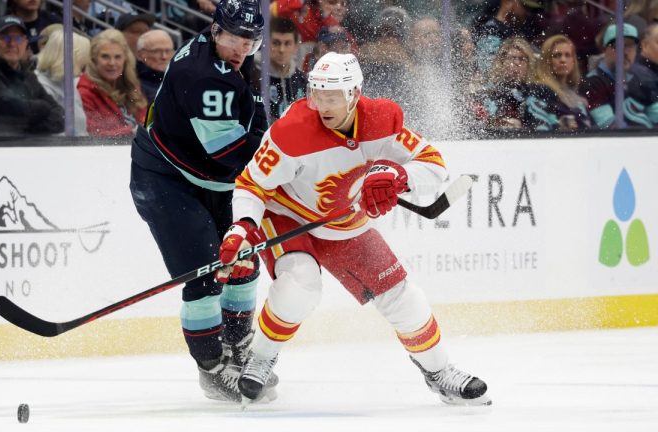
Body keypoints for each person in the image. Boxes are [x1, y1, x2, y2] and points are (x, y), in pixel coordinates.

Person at [216, 51, 490, 406]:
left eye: (333, 97)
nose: (323, 105)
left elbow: (434, 165)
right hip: (287, 215)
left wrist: (398, 175)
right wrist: (242, 227)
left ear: (355, 94)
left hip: (343, 224)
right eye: (317, 95)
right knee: (300, 285)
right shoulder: (291, 132)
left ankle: (439, 372)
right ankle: (261, 357)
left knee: (403, 298)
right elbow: (252, 185)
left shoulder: (381, 120)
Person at [128, 0, 271, 403]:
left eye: (250, 41)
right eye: (235, 38)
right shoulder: (205, 75)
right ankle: (211, 365)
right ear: (215, 30)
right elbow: (230, 153)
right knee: (206, 272)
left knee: (244, 259)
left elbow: (249, 123)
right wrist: (288, 162)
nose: (242, 48)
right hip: (166, 180)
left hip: (212, 180)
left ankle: (239, 345)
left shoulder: (224, 56)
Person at [0, 15, 64, 135]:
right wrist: (43, 107)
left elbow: (59, 116)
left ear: (25, 43)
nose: (12, 43)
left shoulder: (28, 76)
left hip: (25, 144)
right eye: (5, 38)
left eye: (18, 39)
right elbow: (13, 112)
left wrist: (32, 127)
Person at [579, 23, 653, 128]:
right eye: (617, 46)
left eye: (630, 46)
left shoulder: (640, 80)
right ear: (604, 49)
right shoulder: (592, 83)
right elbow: (611, 128)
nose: (625, 52)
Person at [77, 29, 147, 137]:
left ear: (125, 59)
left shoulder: (131, 85)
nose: (112, 63)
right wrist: (131, 132)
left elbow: (145, 121)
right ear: (94, 59)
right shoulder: (84, 91)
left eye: (117, 57)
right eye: (105, 56)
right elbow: (93, 133)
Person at [35, 31, 90, 136]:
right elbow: (50, 133)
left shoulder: (68, 83)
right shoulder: (42, 86)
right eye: (81, 62)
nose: (85, 65)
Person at [252, 16, 307, 120]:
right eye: (276, 43)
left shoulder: (301, 80)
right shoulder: (253, 75)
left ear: (296, 47)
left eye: (287, 43)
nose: (282, 49)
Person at [536, 34, 592, 130]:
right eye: (557, 55)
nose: (563, 60)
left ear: (573, 61)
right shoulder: (539, 91)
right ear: (546, 60)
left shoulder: (579, 97)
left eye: (567, 55)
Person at [135, 29, 174, 104]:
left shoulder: (178, 80)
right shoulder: (131, 83)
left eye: (168, 51)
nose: (164, 57)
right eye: (157, 51)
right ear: (140, 54)